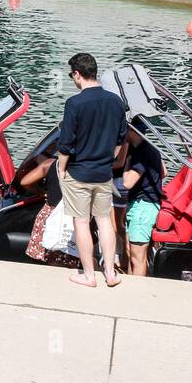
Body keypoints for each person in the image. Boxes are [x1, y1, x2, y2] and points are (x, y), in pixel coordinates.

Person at [56, 52, 128, 288]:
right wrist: (111, 159)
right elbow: (121, 138)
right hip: (104, 173)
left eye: (71, 75)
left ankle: (89, 275)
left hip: (79, 172)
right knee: (104, 220)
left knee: (82, 222)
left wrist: (62, 168)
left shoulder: (74, 103)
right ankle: (110, 272)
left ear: (77, 74)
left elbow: (66, 142)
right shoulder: (116, 102)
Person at [121, 117, 166, 277]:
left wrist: (127, 163)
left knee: (137, 258)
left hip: (142, 208)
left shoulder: (141, 153)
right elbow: (164, 173)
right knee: (131, 253)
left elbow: (127, 183)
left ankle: (136, 295)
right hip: (143, 205)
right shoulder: (150, 148)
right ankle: (131, 289)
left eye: (124, 127)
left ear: (133, 130)